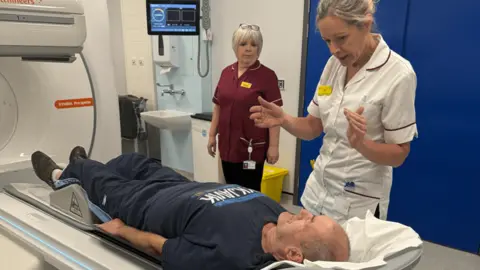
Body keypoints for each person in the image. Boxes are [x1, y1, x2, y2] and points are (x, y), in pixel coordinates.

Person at [30, 146, 350, 270]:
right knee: (133, 159)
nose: (304, 211)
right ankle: (88, 169)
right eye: (313, 213)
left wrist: (122, 230)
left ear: (294, 255)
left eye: (308, 222)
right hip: (177, 185)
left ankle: (63, 174)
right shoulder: (271, 209)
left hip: (142, 203)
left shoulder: (234, 257)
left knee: (97, 177)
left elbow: (161, 247)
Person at [250, 0, 418, 223]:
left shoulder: (398, 74)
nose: (333, 49)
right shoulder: (333, 65)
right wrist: (283, 119)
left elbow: (399, 153)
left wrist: (361, 144)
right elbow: (312, 127)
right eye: (327, 40)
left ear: (365, 25)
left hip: (357, 204)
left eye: (341, 38)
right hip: (317, 191)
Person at [208, 23, 283, 192]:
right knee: (230, 189)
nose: (248, 49)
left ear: (259, 48)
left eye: (253, 45)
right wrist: (212, 135)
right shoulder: (227, 72)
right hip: (227, 144)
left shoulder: (267, 76)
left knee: (249, 192)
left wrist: (274, 147)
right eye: (243, 44)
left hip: (251, 147)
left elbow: (275, 116)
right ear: (235, 47)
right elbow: (218, 106)